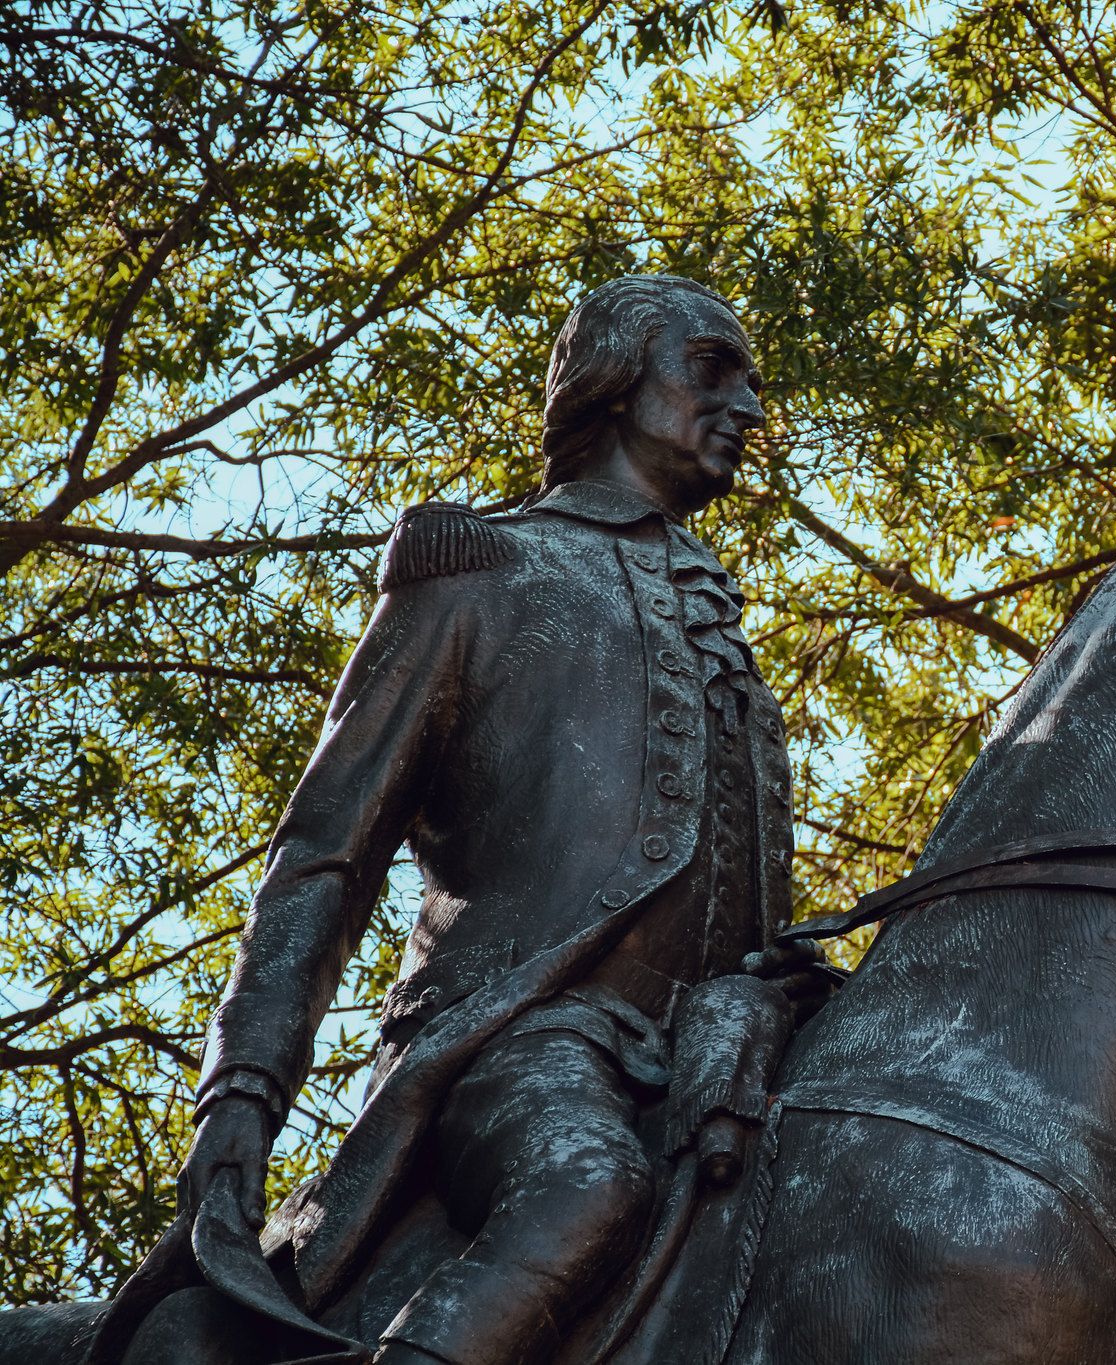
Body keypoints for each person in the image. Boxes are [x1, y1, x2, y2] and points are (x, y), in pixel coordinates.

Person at [154, 274, 813, 1365]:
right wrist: (242, 1094)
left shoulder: (716, 615)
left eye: (749, 381)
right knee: (586, 1186)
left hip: (724, 1046)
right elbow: (324, 857)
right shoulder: (477, 570)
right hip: (516, 1039)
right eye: (711, 369)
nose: (746, 407)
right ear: (611, 378)